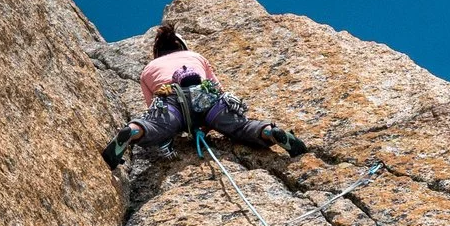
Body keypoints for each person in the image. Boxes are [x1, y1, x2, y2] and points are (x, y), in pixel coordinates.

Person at [103, 24, 311, 168]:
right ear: (182, 47)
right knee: (241, 127)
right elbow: (217, 90)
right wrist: (206, 124)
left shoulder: (148, 69)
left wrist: (177, 127)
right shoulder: (196, 57)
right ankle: (269, 132)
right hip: (208, 98)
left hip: (172, 102)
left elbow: (153, 110)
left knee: (150, 127)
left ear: (158, 52)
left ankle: (130, 132)